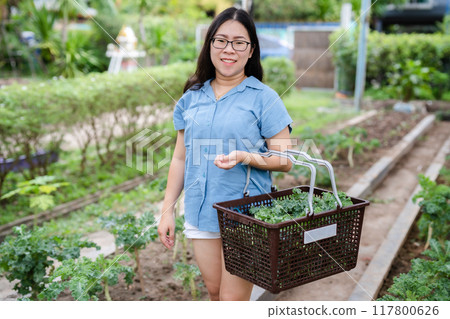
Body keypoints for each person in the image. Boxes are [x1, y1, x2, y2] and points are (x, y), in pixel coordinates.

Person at [157, 7, 293, 301]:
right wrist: (167, 209)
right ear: (210, 46)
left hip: (247, 215)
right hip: (200, 211)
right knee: (215, 292)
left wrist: (246, 157)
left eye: (239, 42)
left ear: (251, 50)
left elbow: (285, 160)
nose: (229, 49)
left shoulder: (264, 98)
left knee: (233, 301)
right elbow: (180, 158)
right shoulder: (191, 97)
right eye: (221, 40)